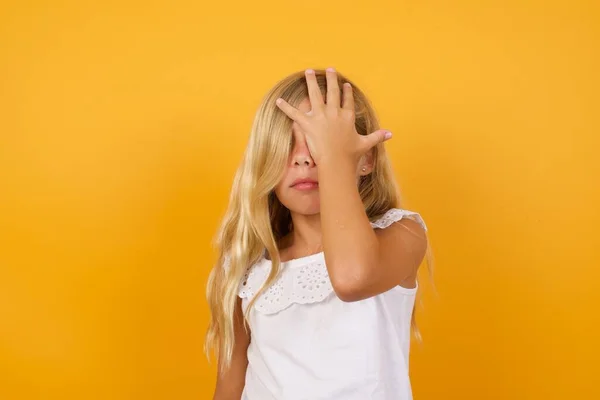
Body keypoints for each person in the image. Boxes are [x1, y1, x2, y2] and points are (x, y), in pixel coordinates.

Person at [206, 67, 431, 400]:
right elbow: (230, 383)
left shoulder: (402, 233)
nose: (303, 160)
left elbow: (351, 279)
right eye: (286, 144)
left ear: (365, 159)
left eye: (317, 143)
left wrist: (335, 158)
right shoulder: (250, 266)